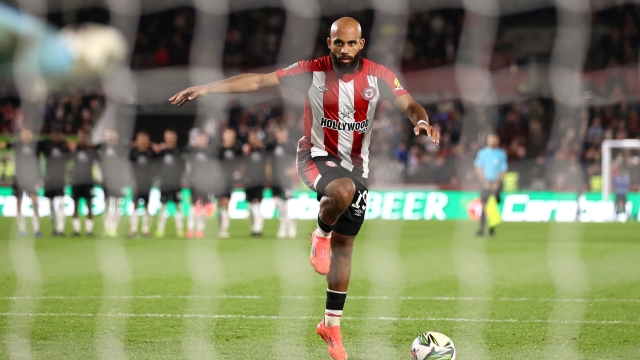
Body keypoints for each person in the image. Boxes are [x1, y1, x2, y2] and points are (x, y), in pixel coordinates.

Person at [169, 17, 440, 360]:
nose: (344, 50)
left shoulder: (380, 76)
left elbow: (410, 103)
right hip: (314, 157)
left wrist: (421, 121)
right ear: (329, 43)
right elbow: (259, 81)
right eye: (337, 43)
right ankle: (320, 234)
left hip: (359, 168)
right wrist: (208, 88)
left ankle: (331, 325)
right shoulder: (311, 71)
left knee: (345, 247)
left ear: (362, 44)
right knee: (340, 193)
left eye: (350, 43)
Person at [1, 128, 43, 237]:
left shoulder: (36, 146)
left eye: (28, 134)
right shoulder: (16, 144)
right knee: (19, 203)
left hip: (31, 177)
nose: (25, 136)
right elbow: (4, 145)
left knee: (35, 202)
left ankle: (36, 229)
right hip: (19, 177)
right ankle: (22, 230)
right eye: (23, 134)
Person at [184, 130, 224, 238]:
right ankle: (190, 229)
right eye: (200, 138)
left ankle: (200, 230)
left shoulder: (210, 152)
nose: (202, 140)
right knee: (193, 207)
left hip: (206, 184)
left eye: (204, 138)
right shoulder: (191, 151)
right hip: (194, 183)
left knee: (203, 208)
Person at [97, 128, 130, 237]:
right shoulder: (102, 149)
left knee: (116, 204)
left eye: (113, 135)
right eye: (109, 135)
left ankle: (114, 228)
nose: (111, 137)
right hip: (106, 180)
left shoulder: (121, 150)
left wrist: (125, 180)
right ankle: (106, 228)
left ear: (116, 137)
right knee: (106, 204)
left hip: (118, 181)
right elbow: (98, 165)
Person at [38, 128, 71, 236]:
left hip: (60, 178)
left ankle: (60, 229)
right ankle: (54, 229)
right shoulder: (46, 145)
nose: (56, 136)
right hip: (49, 178)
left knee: (61, 203)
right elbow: (36, 147)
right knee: (51, 205)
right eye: (54, 134)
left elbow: (70, 156)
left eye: (58, 134)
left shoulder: (64, 146)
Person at [154, 128, 186, 238]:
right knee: (162, 207)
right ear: (165, 137)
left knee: (178, 207)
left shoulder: (180, 152)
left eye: (172, 136)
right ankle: (160, 230)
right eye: (168, 136)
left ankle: (180, 230)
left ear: (175, 137)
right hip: (164, 183)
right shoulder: (160, 152)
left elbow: (184, 167)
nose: (170, 138)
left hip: (176, 184)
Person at [474, 133, 507, 237]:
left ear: (497, 141)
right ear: (488, 141)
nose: (492, 141)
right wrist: (484, 182)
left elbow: (503, 169)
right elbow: (478, 168)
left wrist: (497, 182)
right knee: (484, 205)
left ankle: (492, 229)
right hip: (485, 183)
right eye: (491, 139)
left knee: (493, 206)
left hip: (495, 183)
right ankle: (481, 229)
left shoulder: (501, 154)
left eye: (494, 139)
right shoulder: (482, 153)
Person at [267, 127, 298, 238]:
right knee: (277, 203)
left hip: (286, 180)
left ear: (286, 134)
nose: (280, 136)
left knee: (285, 203)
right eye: (279, 134)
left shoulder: (291, 146)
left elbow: (301, 160)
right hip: (274, 178)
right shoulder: (272, 145)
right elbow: (265, 158)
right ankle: (291, 223)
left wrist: (294, 170)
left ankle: (283, 229)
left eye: (282, 134)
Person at [215, 128, 243, 238]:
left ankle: (224, 230)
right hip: (218, 180)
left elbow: (241, 164)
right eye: (227, 135)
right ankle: (220, 227)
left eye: (231, 136)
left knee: (226, 203)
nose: (229, 138)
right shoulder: (218, 150)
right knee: (219, 204)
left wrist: (238, 173)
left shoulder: (236, 150)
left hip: (229, 180)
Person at [70, 128, 98, 236]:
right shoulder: (75, 149)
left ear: (87, 138)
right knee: (75, 206)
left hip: (88, 181)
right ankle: (76, 231)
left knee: (89, 206)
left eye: (84, 136)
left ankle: (89, 230)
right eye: (80, 136)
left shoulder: (92, 150)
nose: (82, 138)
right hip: (76, 181)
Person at [129, 130, 156, 237]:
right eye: (140, 139)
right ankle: (133, 229)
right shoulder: (132, 153)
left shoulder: (151, 153)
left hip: (147, 183)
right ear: (137, 140)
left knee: (147, 207)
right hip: (135, 183)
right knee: (134, 206)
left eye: (145, 139)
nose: (143, 141)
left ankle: (145, 230)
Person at [243, 130, 268, 237]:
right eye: (251, 138)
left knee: (257, 206)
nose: (253, 140)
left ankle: (257, 229)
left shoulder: (263, 151)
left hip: (259, 181)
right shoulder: (246, 151)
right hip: (248, 181)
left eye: (255, 138)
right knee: (249, 206)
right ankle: (253, 227)